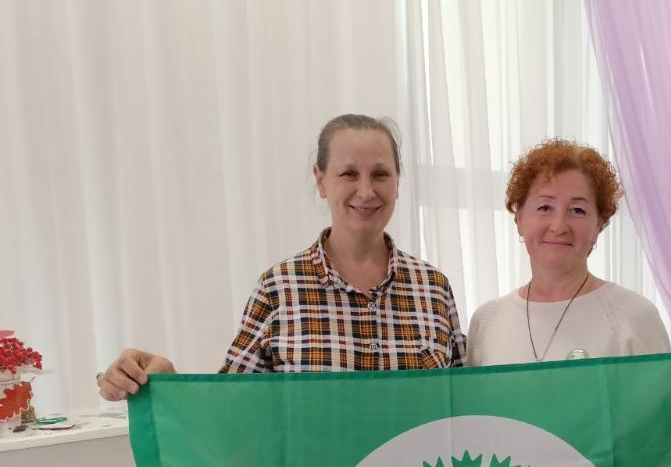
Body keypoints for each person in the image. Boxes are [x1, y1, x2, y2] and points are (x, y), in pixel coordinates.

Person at [98, 114, 465, 401]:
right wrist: (166, 383)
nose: (366, 191)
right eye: (349, 174)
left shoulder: (433, 289)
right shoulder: (278, 290)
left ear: (398, 181)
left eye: (380, 174)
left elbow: (465, 410)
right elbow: (229, 411)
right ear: (321, 181)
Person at [466, 139, 671, 395]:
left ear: (599, 225)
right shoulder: (487, 322)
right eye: (545, 207)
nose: (559, 226)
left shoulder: (634, 317)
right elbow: (474, 418)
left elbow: (661, 418)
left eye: (577, 210)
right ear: (519, 219)